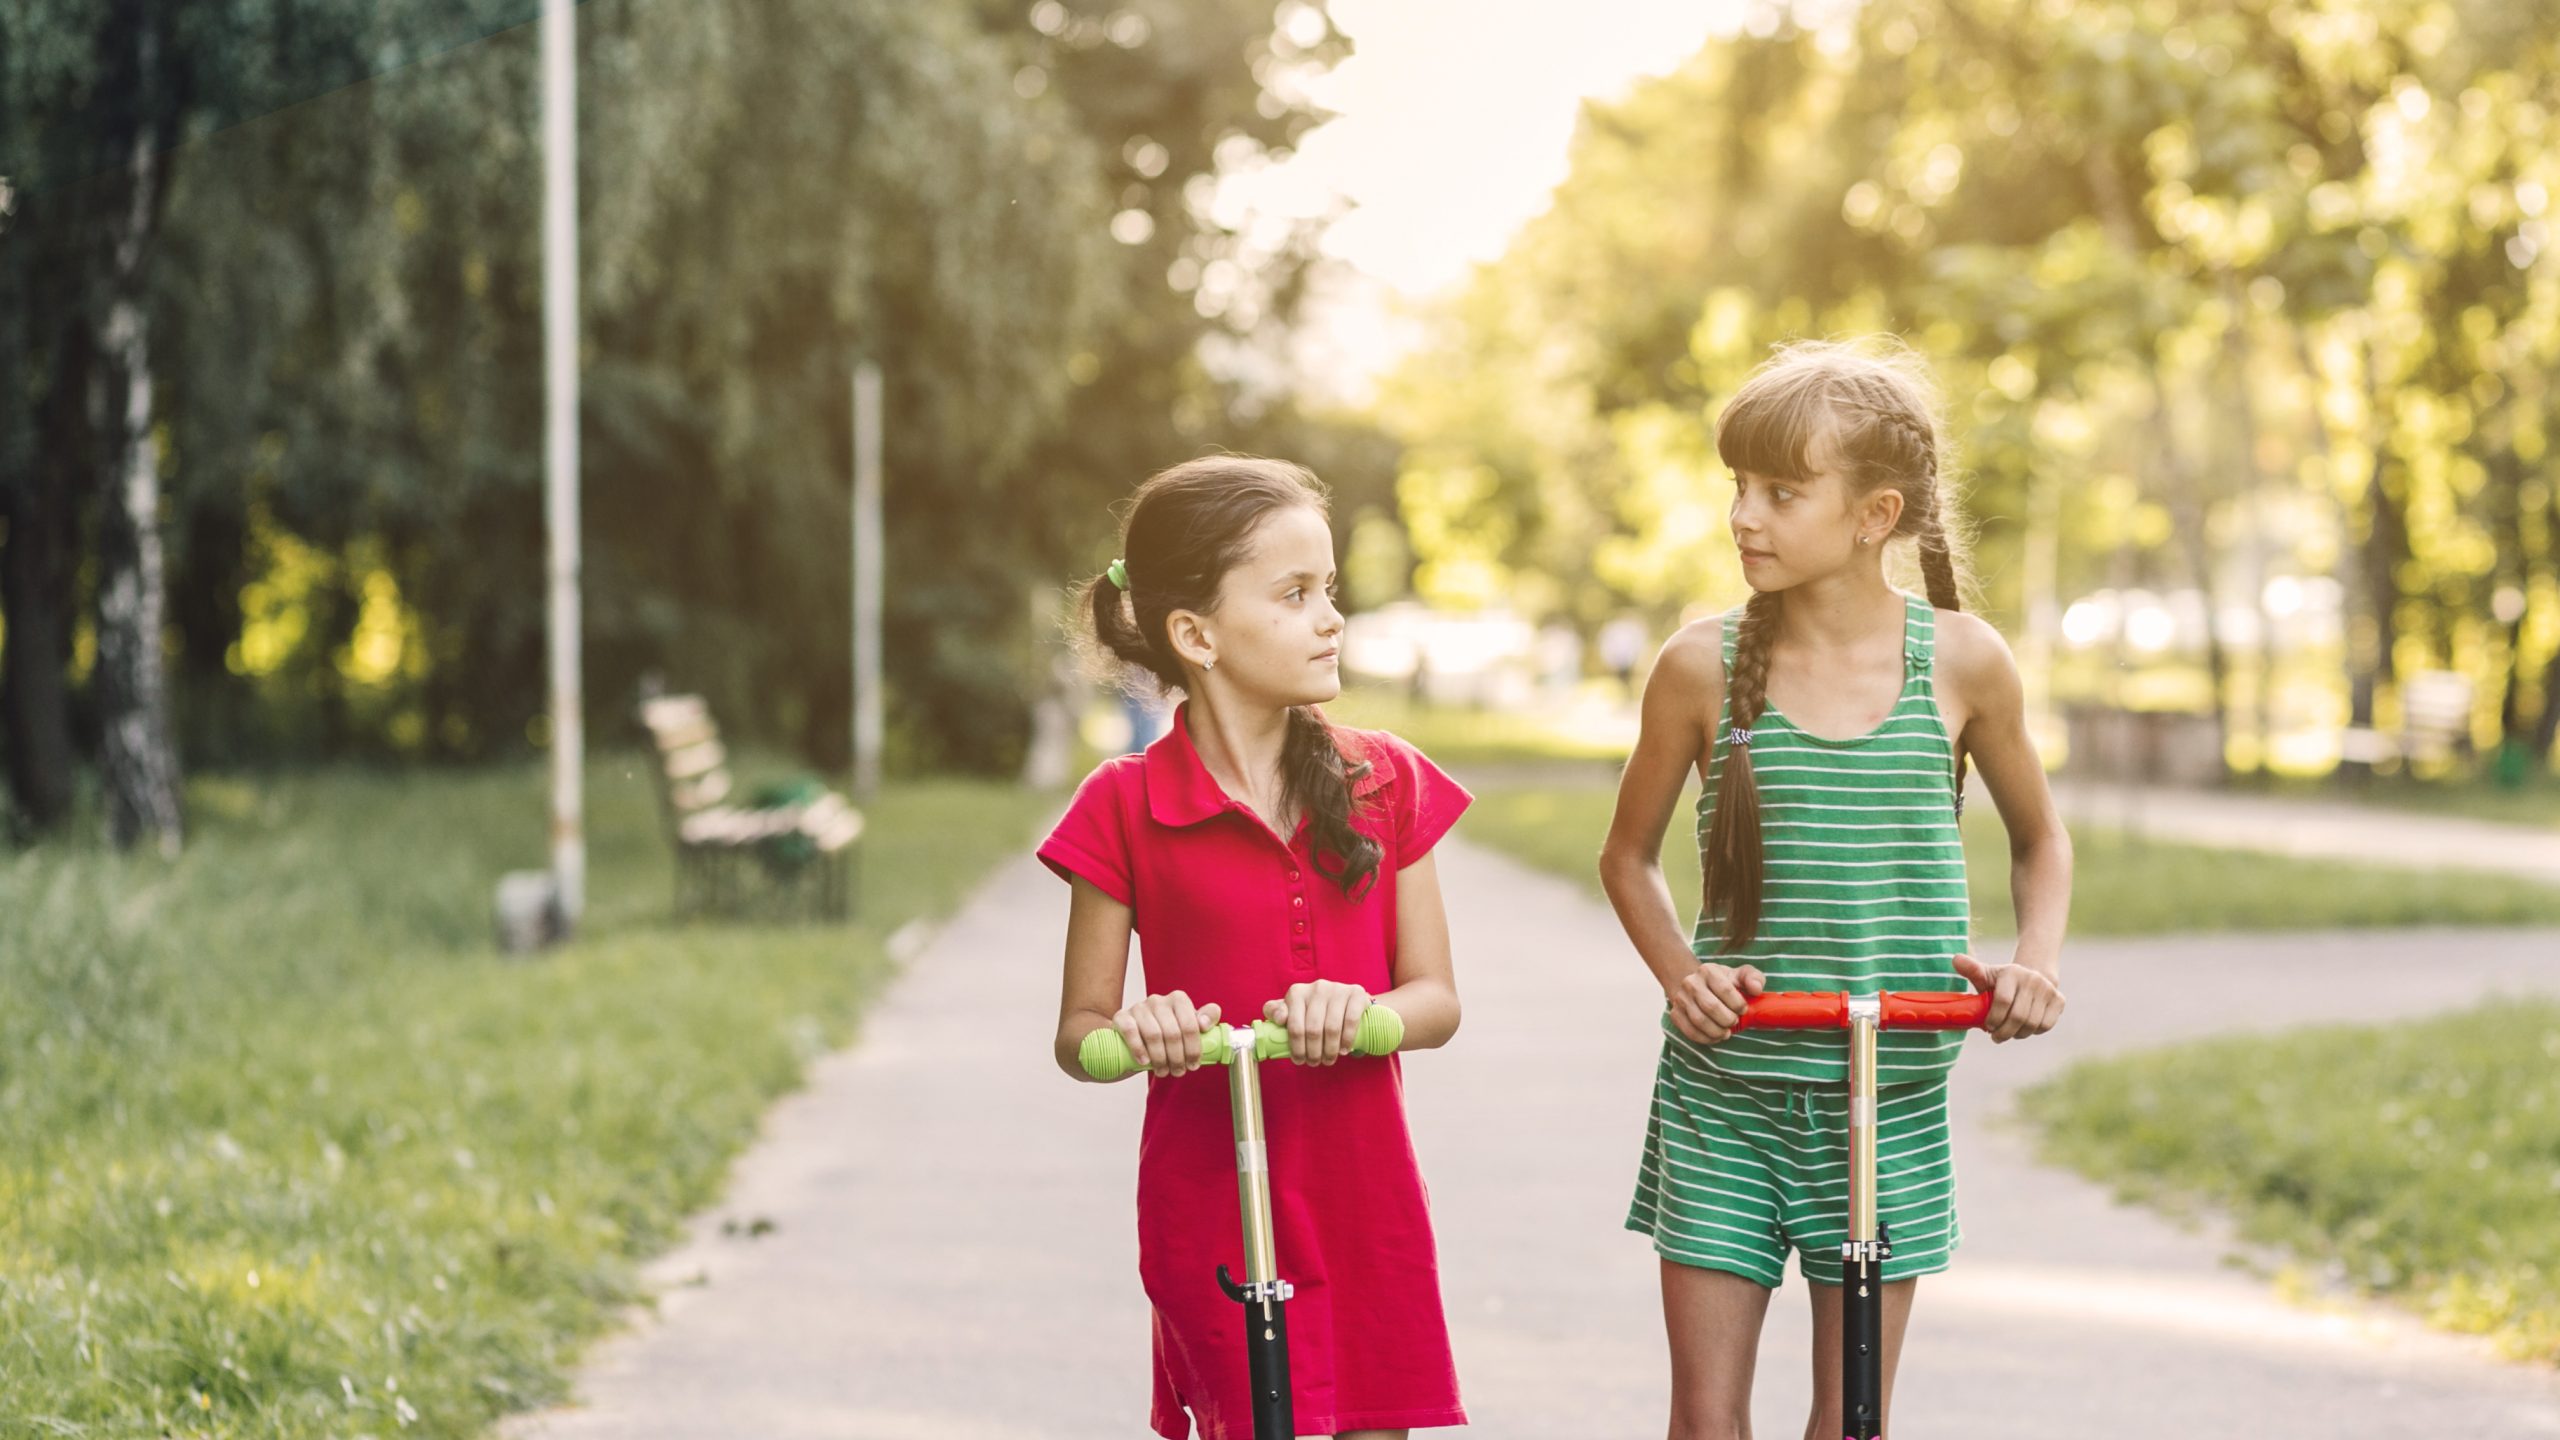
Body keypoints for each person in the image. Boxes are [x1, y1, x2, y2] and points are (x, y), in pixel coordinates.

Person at [1596, 339, 2074, 1440]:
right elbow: (1627, 856)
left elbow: (2040, 839)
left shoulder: (1963, 662)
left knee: (1853, 1421)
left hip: (1888, 1096)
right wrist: (1682, 975)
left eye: (1780, 492)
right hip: (1727, 1093)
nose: (1743, 516)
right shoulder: (1698, 665)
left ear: (1874, 515)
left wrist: (2034, 963)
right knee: (1705, 1422)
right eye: (1738, 487)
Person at [1040, 454, 1472, 1440]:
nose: (1331, 619)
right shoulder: (1122, 805)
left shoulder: (1386, 780)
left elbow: (1436, 1000)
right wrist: (1138, 1029)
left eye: (1330, 590)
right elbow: (1077, 1032)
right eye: (1294, 594)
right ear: (1196, 634)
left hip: (1364, 1193)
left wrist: (1364, 1014)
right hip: (1211, 1201)